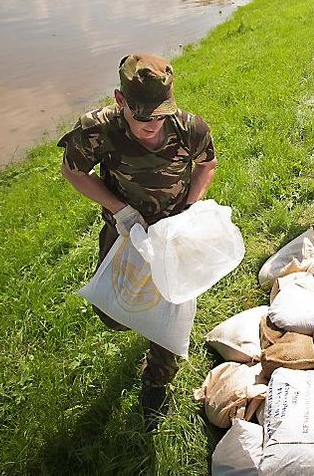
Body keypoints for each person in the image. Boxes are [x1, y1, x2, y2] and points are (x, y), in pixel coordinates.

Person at [58, 54, 217, 430]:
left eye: (160, 114)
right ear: (120, 99)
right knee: (113, 315)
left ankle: (156, 381)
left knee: (172, 311)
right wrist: (120, 210)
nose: (151, 125)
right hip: (125, 234)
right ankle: (140, 322)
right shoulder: (98, 131)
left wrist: (189, 208)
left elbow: (206, 166)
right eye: (141, 116)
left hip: (173, 235)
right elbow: (72, 170)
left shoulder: (190, 128)